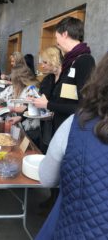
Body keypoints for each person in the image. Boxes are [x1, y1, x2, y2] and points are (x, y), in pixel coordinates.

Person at [36, 51, 108, 239]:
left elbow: (47, 177)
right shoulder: (51, 79)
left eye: (44, 62)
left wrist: (48, 104)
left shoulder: (77, 124)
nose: (41, 66)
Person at [31, 16, 95, 133]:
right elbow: (66, 98)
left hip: (72, 129)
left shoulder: (84, 60)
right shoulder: (69, 61)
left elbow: (85, 106)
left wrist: (48, 104)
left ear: (64, 34)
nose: (57, 42)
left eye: (57, 37)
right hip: (61, 127)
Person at [0, 64, 41, 143]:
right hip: (14, 127)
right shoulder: (11, 89)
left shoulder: (31, 89)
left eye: (12, 76)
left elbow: (28, 108)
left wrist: (12, 109)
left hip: (28, 129)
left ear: (18, 78)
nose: (10, 78)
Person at [39, 46, 63, 153]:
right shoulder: (48, 79)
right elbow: (42, 98)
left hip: (61, 126)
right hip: (47, 125)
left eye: (45, 62)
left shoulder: (67, 78)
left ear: (54, 60)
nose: (42, 66)